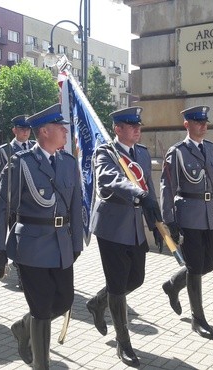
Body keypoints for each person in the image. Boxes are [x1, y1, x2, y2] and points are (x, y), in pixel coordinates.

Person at [0, 103, 83, 370]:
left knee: (64, 300)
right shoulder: (20, 163)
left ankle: (23, 326)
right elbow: (2, 205)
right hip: (31, 246)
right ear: (44, 131)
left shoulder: (68, 162)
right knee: (41, 308)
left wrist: (76, 242)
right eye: (60, 128)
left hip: (62, 245)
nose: (65, 132)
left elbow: (76, 206)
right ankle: (42, 363)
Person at [87, 106, 161, 367]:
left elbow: (149, 190)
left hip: (134, 228)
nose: (137, 130)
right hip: (111, 227)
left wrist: (155, 225)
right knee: (118, 285)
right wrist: (137, 193)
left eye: (139, 126)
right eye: (132, 126)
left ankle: (98, 302)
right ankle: (124, 342)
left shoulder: (141, 153)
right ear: (118, 129)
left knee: (136, 279)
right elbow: (110, 179)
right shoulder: (105, 153)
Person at [160, 105, 213, 340]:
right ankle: (198, 320)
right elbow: (167, 187)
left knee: (207, 265)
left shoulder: (211, 149)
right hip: (187, 217)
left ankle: (173, 285)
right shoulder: (177, 152)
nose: (203, 126)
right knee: (195, 267)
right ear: (187, 124)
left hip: (206, 215)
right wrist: (170, 221)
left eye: (205, 122)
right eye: (198, 122)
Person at [0, 114, 35, 289]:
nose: (25, 132)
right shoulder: (4, 151)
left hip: (34, 202)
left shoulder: (35, 147)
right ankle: (21, 274)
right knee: (19, 240)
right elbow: (0, 179)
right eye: (22, 129)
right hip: (15, 203)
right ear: (14, 130)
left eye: (27, 129)